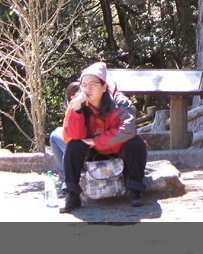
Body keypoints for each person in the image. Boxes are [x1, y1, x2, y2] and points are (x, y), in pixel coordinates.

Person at [60, 61, 147, 213]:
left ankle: (135, 190)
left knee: (136, 143)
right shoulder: (77, 103)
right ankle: (72, 195)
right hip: (91, 151)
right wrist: (77, 110)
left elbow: (129, 128)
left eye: (92, 84)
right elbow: (71, 136)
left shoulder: (120, 101)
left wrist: (96, 141)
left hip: (115, 147)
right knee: (73, 145)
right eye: (84, 84)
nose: (87, 89)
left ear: (103, 86)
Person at [49, 81, 80, 196]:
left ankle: (65, 180)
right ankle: (64, 179)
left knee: (54, 135)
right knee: (56, 133)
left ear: (72, 97)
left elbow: (70, 133)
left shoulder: (76, 105)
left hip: (81, 146)